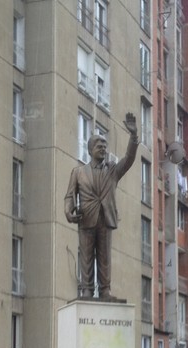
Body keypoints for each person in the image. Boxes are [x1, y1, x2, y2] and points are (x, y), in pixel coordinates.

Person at [64, 113, 139, 301]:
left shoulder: (113, 170)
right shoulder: (78, 172)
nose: (103, 149)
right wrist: (68, 211)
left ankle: (105, 290)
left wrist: (134, 136)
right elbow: (69, 196)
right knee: (86, 257)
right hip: (86, 219)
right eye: (99, 146)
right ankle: (87, 290)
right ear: (90, 150)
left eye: (105, 146)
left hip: (105, 219)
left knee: (104, 257)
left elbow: (129, 159)